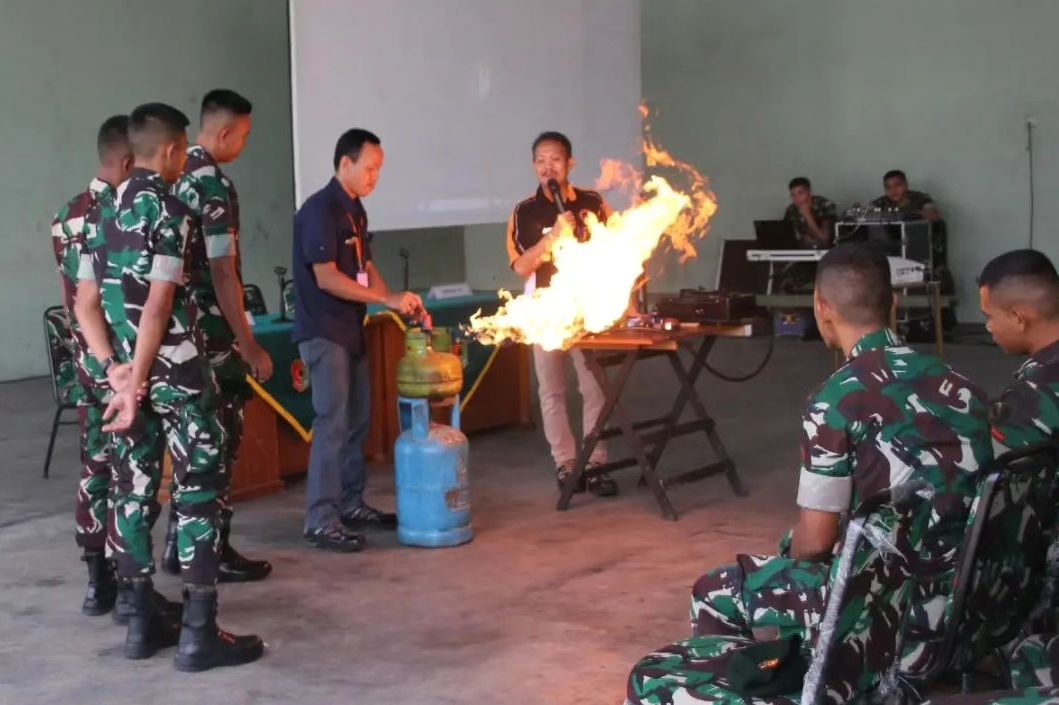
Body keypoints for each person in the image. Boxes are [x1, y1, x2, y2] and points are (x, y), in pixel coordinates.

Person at [688, 244, 992, 652]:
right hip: (971, 592)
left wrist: (790, 557)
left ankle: (776, 685)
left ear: (821, 307)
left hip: (887, 606)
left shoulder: (835, 401)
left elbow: (815, 542)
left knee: (716, 588)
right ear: (895, 303)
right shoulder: (961, 385)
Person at [100, 102, 263, 671]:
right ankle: (198, 631)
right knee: (197, 491)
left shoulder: (107, 206)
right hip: (176, 376)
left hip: (126, 378)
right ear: (171, 151)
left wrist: (120, 375)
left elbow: (93, 302)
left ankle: (141, 619)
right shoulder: (171, 208)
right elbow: (160, 305)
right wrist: (144, 375)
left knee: (135, 487)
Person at [292, 128, 425, 552]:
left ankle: (350, 504)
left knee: (357, 421)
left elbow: (365, 263)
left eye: (379, 170)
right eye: (369, 168)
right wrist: (383, 297)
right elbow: (327, 277)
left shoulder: (356, 211)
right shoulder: (319, 210)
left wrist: (395, 304)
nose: (374, 177)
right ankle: (321, 519)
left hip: (352, 331)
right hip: (324, 331)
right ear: (345, 164)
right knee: (332, 424)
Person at [164, 89, 272, 583]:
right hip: (211, 337)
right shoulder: (212, 184)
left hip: (172, 336)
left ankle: (176, 546)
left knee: (183, 447)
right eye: (244, 136)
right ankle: (214, 549)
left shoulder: (171, 175)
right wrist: (247, 343)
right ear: (224, 132)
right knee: (218, 445)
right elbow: (223, 271)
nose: (244, 145)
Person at [51, 115, 133, 617]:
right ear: (127, 161)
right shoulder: (120, 214)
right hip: (120, 364)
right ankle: (129, 588)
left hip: (84, 364)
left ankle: (95, 580)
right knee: (129, 473)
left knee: (94, 469)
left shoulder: (67, 214)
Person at [506, 131, 618, 497]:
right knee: (551, 390)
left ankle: (596, 461)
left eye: (554, 159)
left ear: (570, 163)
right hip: (546, 311)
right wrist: (552, 236)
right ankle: (566, 463)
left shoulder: (592, 202)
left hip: (587, 309)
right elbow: (522, 266)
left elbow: (618, 250)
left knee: (595, 388)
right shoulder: (524, 211)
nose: (547, 167)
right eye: (540, 160)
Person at [978, 250, 1059, 689]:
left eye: (990, 316)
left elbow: (991, 491)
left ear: (1021, 316)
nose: (988, 327)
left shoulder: (1032, 395)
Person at [783, 176, 836, 249]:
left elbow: (825, 240)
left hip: (827, 253)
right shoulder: (791, 210)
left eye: (800, 193)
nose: (796, 198)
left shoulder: (825, 205)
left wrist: (808, 215)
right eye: (793, 195)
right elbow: (787, 240)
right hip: (801, 253)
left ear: (810, 193)